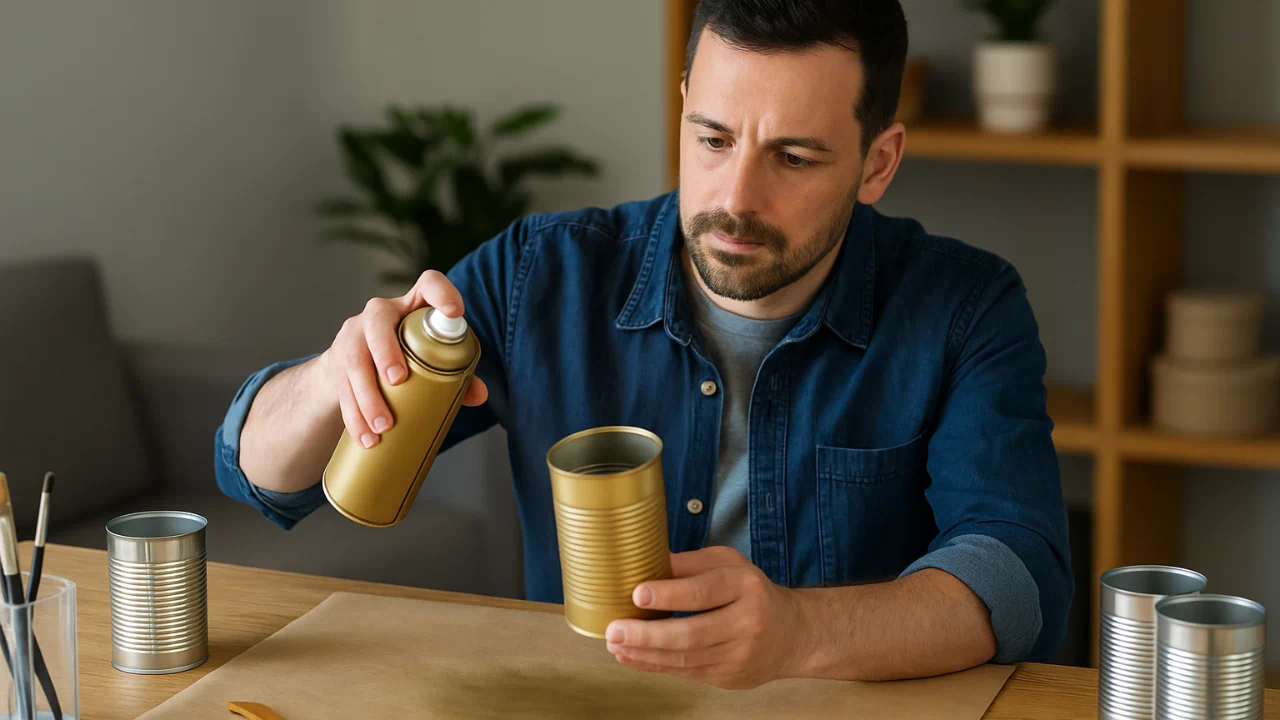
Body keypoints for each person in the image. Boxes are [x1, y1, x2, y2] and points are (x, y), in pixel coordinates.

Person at [215, 0, 1071, 690]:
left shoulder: (966, 308)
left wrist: (801, 632)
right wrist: (336, 378)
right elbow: (258, 476)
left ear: (878, 163)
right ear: (686, 99)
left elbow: (1019, 576)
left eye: (795, 158)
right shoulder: (537, 275)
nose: (735, 197)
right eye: (712, 138)